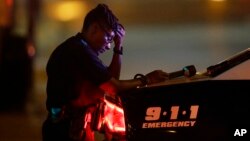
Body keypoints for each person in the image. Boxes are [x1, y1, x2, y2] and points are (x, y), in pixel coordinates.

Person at [42, 3, 169, 141]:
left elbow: (111, 78)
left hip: (74, 129)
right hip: (65, 132)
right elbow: (113, 87)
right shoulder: (78, 51)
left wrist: (118, 46)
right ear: (95, 28)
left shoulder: (81, 48)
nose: (109, 45)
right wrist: (147, 79)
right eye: (108, 38)